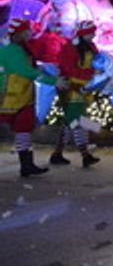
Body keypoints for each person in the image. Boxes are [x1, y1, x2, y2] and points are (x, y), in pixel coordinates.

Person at [0, 18, 59, 176]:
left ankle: (27, 164)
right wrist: (54, 81)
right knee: (74, 124)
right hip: (9, 96)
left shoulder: (22, 48)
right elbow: (27, 71)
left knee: (24, 130)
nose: (30, 33)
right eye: (27, 31)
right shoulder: (12, 51)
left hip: (23, 96)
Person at [52, 19, 101, 167]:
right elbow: (68, 68)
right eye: (90, 33)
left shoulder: (91, 46)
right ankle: (85, 155)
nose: (93, 35)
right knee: (78, 122)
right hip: (72, 89)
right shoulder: (70, 48)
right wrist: (91, 72)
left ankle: (58, 153)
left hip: (84, 89)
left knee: (71, 122)